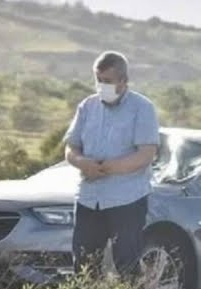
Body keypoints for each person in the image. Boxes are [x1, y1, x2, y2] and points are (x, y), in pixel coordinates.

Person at [63, 51, 159, 277]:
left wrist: (107, 168)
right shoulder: (87, 106)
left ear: (123, 81)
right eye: (98, 80)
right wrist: (82, 163)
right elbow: (71, 147)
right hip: (88, 199)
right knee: (84, 266)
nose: (101, 86)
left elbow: (146, 154)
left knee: (126, 266)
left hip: (126, 200)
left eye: (108, 81)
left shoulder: (142, 108)